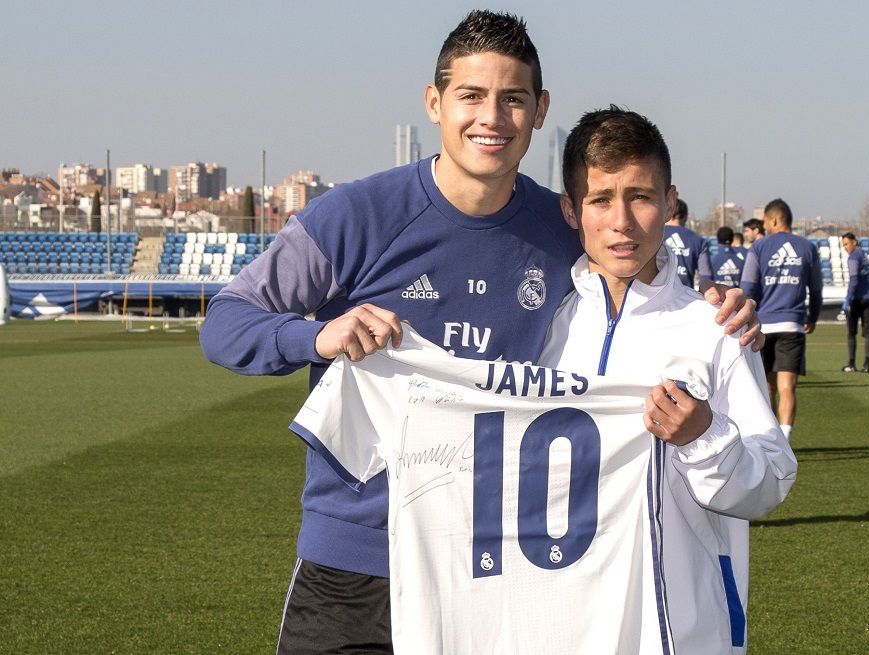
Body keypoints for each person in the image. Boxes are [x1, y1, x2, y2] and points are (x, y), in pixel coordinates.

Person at [199, 10, 761, 653]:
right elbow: (225, 323)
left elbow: (637, 264)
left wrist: (714, 308)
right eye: (470, 95)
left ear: (540, 109)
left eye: (512, 98)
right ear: (434, 102)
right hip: (355, 562)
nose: (491, 118)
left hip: (488, 572)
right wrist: (317, 338)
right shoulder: (355, 216)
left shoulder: (559, 231)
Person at [539, 106, 796, 652]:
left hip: (681, 632)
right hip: (563, 627)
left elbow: (773, 479)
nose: (622, 221)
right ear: (571, 209)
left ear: (670, 202)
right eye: (600, 199)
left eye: (640, 196)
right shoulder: (545, 329)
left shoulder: (717, 327)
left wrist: (704, 438)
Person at [741, 199, 823, 441]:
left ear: (774, 220)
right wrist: (813, 317)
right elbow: (816, 290)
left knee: (765, 387)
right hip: (792, 325)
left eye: (765, 221)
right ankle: (784, 439)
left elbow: (747, 287)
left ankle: (767, 438)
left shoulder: (759, 247)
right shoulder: (807, 248)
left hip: (762, 326)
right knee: (788, 387)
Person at [840, 232, 869, 372]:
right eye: (843, 245)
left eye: (846, 244)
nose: (845, 248)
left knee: (851, 332)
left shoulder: (854, 257)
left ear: (854, 242)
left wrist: (848, 299)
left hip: (857, 300)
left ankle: (852, 364)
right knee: (868, 332)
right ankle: (866, 365)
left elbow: (854, 279)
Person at [664, 198, 713, 289]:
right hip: (685, 297)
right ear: (686, 216)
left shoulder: (655, 236)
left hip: (655, 297)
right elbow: (706, 277)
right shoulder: (699, 241)